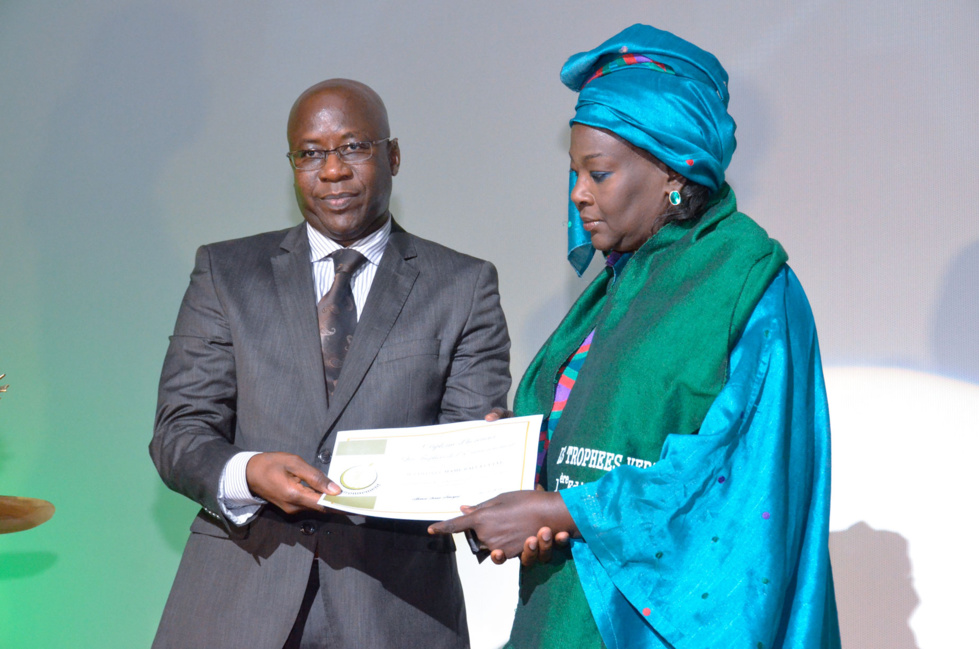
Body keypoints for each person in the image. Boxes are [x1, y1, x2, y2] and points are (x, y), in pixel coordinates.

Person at [430, 24, 841, 649]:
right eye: (573, 174)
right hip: (560, 610)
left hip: (650, 627)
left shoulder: (750, 284)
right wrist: (518, 459)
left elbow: (736, 480)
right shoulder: (617, 284)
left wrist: (563, 513)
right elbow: (591, 443)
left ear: (672, 171)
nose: (578, 195)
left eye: (598, 174)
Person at [150, 79, 511, 649]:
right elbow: (179, 432)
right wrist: (247, 473)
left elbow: (466, 447)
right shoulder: (226, 273)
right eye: (310, 154)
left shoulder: (462, 286)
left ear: (392, 156)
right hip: (237, 603)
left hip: (395, 609)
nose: (332, 171)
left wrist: (484, 469)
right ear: (292, 165)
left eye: (353, 147)